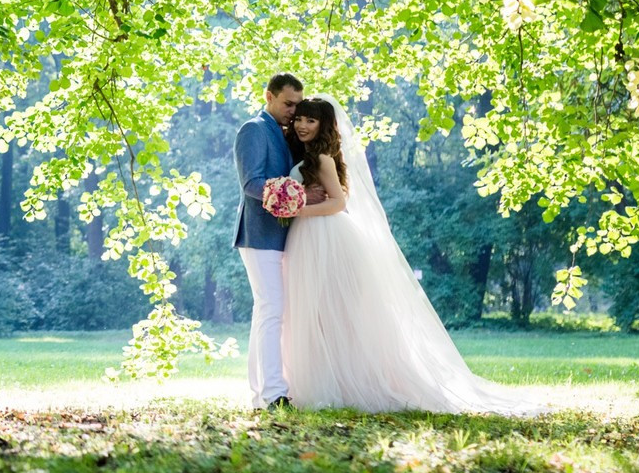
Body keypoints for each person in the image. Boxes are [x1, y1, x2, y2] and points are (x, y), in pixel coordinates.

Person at [277, 98, 542, 414]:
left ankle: (345, 384)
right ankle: (320, 381)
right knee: (314, 313)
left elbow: (337, 203)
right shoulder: (306, 157)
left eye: (311, 121)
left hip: (327, 238)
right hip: (307, 238)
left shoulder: (322, 158)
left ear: (323, 125)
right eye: (300, 120)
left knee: (334, 313)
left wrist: (298, 209)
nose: (303, 125)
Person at [232, 73, 324, 410]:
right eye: (288, 104)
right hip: (259, 235)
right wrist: (302, 195)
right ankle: (272, 394)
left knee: (269, 312)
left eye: (298, 105)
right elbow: (252, 184)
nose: (293, 111)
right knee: (272, 310)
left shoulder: (286, 134)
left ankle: (262, 392)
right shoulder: (253, 130)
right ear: (268, 96)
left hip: (283, 235)